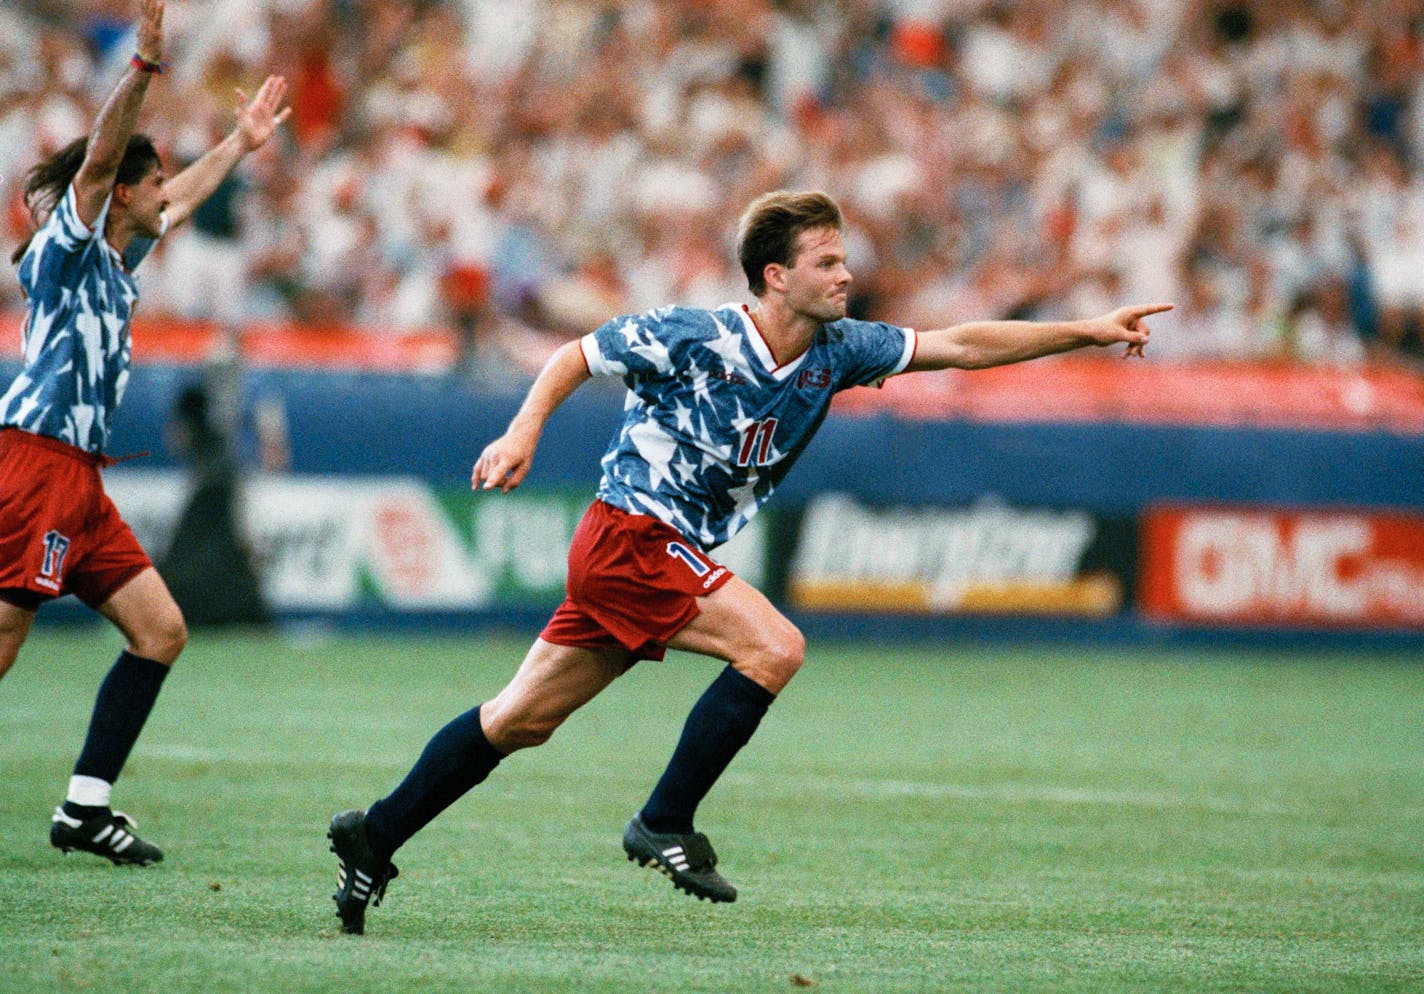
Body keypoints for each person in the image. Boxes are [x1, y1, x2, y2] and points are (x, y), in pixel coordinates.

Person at [327, 190, 1170, 933]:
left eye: (845, 258)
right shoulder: (696, 334)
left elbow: (959, 345)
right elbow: (578, 354)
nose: (846, 274)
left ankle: (377, 834)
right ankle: (664, 820)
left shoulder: (840, 350)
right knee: (775, 646)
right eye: (827, 261)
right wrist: (522, 430)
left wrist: (1085, 332)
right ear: (775, 275)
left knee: (519, 720)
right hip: (632, 534)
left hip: (657, 550)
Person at [0, 0, 289, 866]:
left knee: (160, 629)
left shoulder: (121, 254)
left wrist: (238, 146)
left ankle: (85, 809)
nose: (168, 194)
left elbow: (185, 196)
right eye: (153, 183)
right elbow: (98, 160)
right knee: (7, 638)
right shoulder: (74, 240)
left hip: (79, 477)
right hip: (34, 464)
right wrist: (144, 67)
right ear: (123, 193)